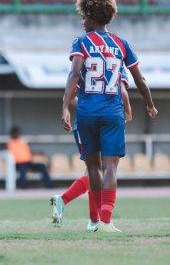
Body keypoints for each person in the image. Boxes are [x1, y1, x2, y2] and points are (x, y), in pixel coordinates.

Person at [62, 0, 158, 232]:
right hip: (113, 111)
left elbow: (74, 75)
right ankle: (106, 221)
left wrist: (65, 107)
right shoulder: (121, 44)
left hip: (86, 112)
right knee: (111, 167)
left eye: (84, 16)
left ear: (92, 16)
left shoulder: (81, 42)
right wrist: (149, 103)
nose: (82, 21)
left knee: (93, 167)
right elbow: (139, 79)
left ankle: (95, 222)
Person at [52, 73, 132, 231]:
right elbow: (123, 92)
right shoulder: (112, 65)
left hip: (91, 123)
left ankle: (93, 220)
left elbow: (68, 97)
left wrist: (85, 106)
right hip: (94, 124)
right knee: (95, 170)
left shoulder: (88, 66)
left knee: (93, 172)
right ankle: (67, 202)